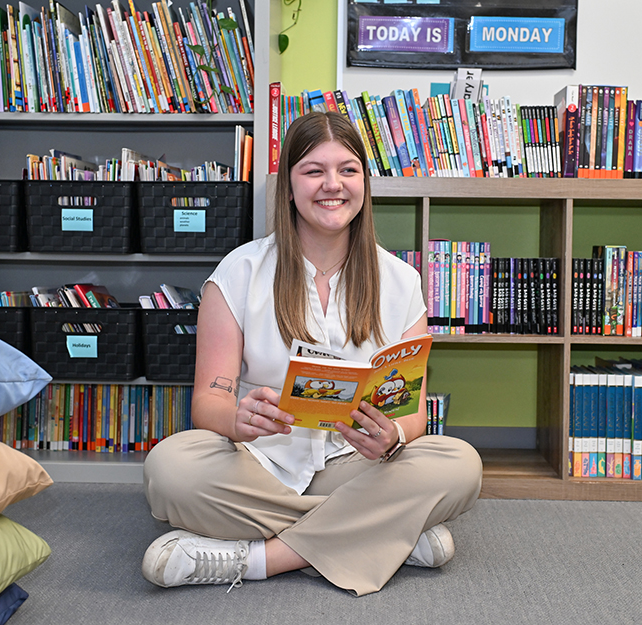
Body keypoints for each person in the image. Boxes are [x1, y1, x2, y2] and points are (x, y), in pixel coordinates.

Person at [141, 111, 482, 596]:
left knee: (459, 463)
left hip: (356, 464)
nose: (333, 185)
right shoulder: (238, 272)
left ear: (364, 181)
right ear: (289, 186)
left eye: (347, 170)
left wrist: (389, 439)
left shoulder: (401, 282)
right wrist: (237, 420)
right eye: (313, 170)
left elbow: (412, 417)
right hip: (260, 464)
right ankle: (389, 533)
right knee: (170, 468)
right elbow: (207, 403)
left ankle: (259, 558)